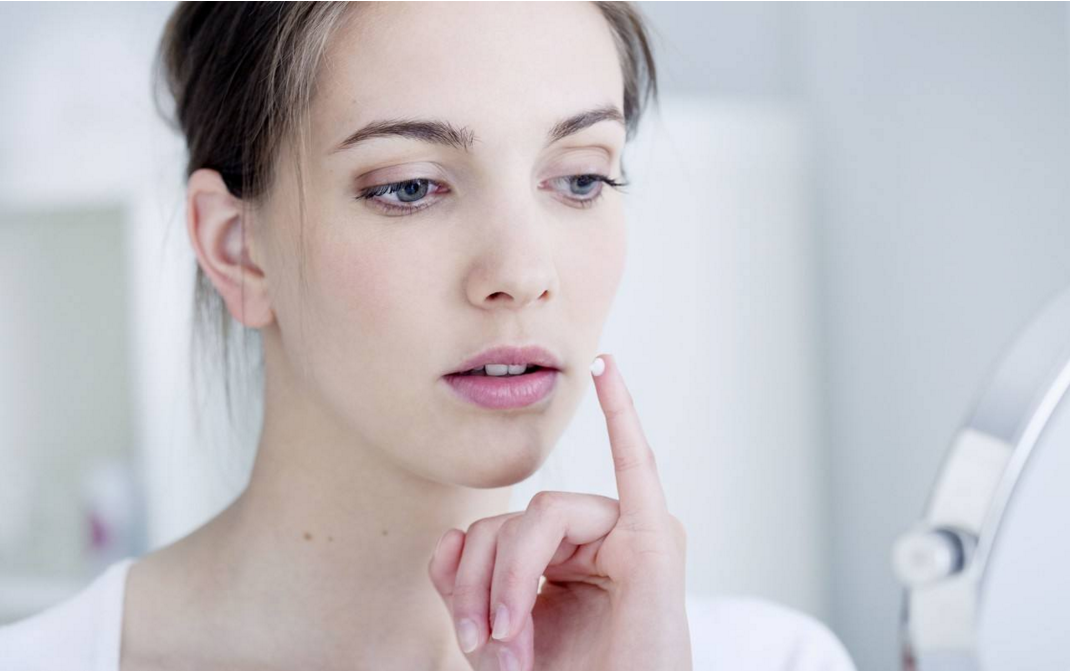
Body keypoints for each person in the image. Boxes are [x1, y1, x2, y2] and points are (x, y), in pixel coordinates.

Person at [0, 3, 857, 670]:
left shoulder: (773, 657)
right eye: (410, 187)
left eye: (581, 178)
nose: (523, 272)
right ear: (240, 250)